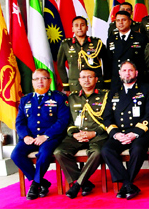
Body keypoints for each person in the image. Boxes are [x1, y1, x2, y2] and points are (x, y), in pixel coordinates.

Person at [101, 61, 149, 200]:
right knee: (106, 150)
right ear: (119, 73)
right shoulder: (113, 92)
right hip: (120, 133)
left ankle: (125, 185)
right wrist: (116, 134)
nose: (127, 73)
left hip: (139, 133)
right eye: (124, 70)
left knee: (138, 149)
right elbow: (107, 117)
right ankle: (128, 184)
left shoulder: (147, 89)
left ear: (136, 73)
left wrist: (134, 133)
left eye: (130, 70)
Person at [13, 69, 70, 200]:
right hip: (30, 137)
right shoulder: (25, 100)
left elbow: (63, 120)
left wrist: (46, 136)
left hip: (50, 137)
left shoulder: (59, 98)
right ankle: (42, 182)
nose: (40, 81)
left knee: (43, 154)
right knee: (16, 154)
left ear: (49, 81)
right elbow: (20, 122)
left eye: (43, 78)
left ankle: (35, 185)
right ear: (32, 82)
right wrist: (25, 136)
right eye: (36, 79)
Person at [53, 69, 108, 199]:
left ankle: (77, 185)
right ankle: (85, 183)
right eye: (83, 77)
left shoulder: (106, 96)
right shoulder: (72, 98)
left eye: (90, 77)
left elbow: (109, 119)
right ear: (79, 80)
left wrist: (94, 133)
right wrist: (74, 134)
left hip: (97, 135)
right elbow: (69, 120)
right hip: (77, 135)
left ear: (96, 79)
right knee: (59, 152)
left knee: (97, 153)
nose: (86, 80)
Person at [57, 17, 110, 92]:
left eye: (82, 25)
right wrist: (66, 85)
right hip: (75, 85)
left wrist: (107, 81)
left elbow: (107, 62)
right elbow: (60, 65)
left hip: (96, 84)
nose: (79, 28)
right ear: (72, 29)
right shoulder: (66, 44)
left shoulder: (97, 43)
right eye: (76, 25)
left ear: (87, 28)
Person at [107, 11, 149, 89]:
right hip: (118, 80)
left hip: (136, 79)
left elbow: (145, 61)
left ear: (130, 22)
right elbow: (109, 62)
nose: (121, 23)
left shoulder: (140, 38)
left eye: (124, 20)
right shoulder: (111, 39)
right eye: (118, 20)